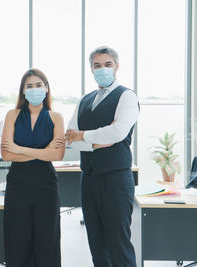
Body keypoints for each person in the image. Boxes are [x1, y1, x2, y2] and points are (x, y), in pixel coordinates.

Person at [65, 46, 139, 267]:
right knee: (97, 245)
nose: (102, 69)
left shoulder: (127, 96)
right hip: (88, 179)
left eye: (107, 64)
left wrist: (84, 136)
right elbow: (70, 138)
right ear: (91, 69)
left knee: (119, 245)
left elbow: (118, 132)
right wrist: (99, 142)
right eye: (97, 65)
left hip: (116, 180)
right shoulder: (84, 100)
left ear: (117, 66)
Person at [1, 68, 65, 267]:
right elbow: (6, 154)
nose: (34, 89)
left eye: (38, 85)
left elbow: (58, 155)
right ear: (23, 91)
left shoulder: (56, 117)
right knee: (17, 241)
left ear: (46, 89)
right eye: (29, 86)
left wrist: (19, 149)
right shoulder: (12, 115)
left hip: (46, 185)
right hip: (17, 185)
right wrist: (43, 151)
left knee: (47, 241)